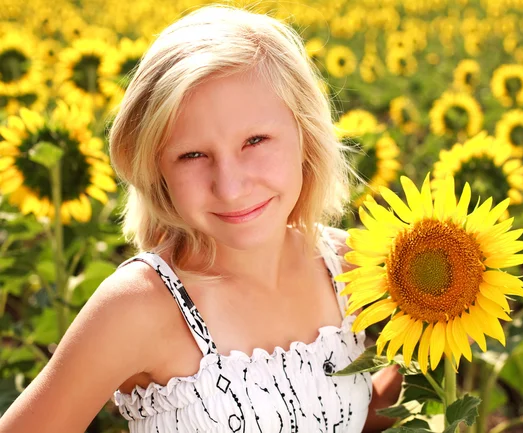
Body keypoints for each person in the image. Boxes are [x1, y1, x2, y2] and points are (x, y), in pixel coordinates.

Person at [0, 5, 403, 433]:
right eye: (192, 155)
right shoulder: (139, 306)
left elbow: (337, 415)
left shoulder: (350, 269)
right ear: (156, 169)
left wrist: (437, 343)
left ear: (306, 135)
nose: (229, 187)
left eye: (255, 141)